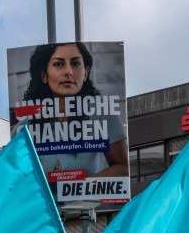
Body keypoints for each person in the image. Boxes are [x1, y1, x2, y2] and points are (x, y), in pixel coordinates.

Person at [18, 42, 129, 180]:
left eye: (75, 63)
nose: (68, 72)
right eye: (58, 64)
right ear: (44, 75)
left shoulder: (101, 112)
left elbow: (123, 168)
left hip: (90, 201)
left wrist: (79, 190)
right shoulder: (25, 127)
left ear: (86, 73)